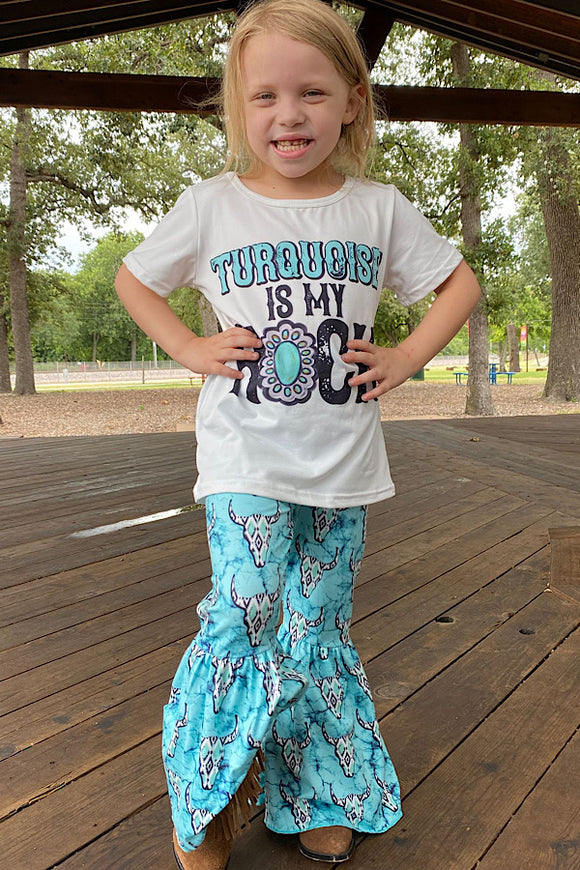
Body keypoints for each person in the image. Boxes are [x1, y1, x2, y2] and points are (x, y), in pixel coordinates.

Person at [115, 1, 481, 867]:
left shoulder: (378, 209)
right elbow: (135, 281)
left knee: (315, 624)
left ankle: (317, 786)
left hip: (344, 465)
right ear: (238, 107)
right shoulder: (211, 208)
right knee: (246, 611)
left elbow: (460, 286)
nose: (290, 115)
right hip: (244, 455)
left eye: (312, 93)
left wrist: (406, 356)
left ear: (352, 100)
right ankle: (208, 798)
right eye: (266, 96)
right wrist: (190, 347)